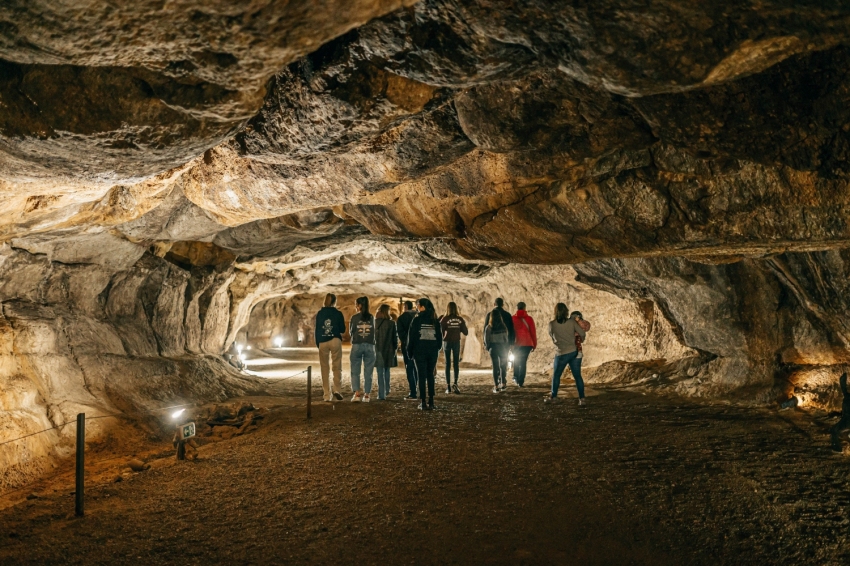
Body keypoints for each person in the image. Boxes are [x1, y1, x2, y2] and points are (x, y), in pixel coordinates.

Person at [545, 303, 587, 405]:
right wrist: (580, 339)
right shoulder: (572, 322)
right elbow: (582, 333)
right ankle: (582, 399)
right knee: (577, 376)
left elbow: (552, 336)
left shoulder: (552, 324)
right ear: (566, 311)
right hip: (573, 352)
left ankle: (553, 397)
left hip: (561, 353)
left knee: (556, 375)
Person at [407, 298, 442, 410]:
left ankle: (423, 402)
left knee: (421, 376)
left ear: (422, 307)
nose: (416, 307)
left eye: (417, 305)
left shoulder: (417, 320)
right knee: (430, 375)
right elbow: (439, 338)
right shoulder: (434, 320)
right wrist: (436, 348)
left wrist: (410, 351)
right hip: (432, 351)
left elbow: (412, 337)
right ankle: (431, 401)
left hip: (420, 351)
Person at [314, 293, 345, 401]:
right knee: (337, 366)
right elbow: (342, 329)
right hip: (335, 340)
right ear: (334, 302)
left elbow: (317, 329)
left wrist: (318, 343)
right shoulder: (338, 313)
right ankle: (337, 390)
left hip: (322, 340)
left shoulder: (320, 313)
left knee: (324, 368)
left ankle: (327, 395)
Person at [349, 296, 376, 402]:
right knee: (368, 371)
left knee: (355, 370)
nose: (355, 306)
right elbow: (374, 331)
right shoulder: (372, 318)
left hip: (357, 345)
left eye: (356, 304)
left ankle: (357, 394)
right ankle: (367, 395)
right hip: (370, 345)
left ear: (360, 305)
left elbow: (351, 332)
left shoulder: (354, 318)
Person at [440, 301, 468, 394]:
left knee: (447, 364)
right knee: (456, 363)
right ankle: (455, 383)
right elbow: (466, 332)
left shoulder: (444, 319)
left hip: (447, 342)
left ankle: (448, 386)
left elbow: (441, 332)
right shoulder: (460, 319)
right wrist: (458, 328)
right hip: (456, 342)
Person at [484, 303, 512, 393]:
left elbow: (486, 339)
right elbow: (506, 338)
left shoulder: (489, 327)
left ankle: (496, 386)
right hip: (502, 347)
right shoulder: (503, 326)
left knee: (495, 366)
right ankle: (503, 383)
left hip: (493, 347)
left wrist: (488, 347)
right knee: (503, 365)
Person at [374, 304, 399, 400]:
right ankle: (387, 389)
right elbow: (394, 338)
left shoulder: (375, 322)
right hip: (389, 350)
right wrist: (395, 349)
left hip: (378, 349)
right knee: (387, 370)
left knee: (380, 371)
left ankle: (381, 394)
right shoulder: (391, 323)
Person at [511, 302, 537, 387]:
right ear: (525, 308)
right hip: (527, 343)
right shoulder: (529, 319)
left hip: (516, 343)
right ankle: (520, 381)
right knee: (523, 362)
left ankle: (515, 377)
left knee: (516, 360)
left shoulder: (512, 318)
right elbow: (533, 332)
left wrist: (510, 344)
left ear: (517, 308)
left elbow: (510, 333)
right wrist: (534, 344)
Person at [396, 300, 418, 400]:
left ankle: (413, 391)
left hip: (407, 346)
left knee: (409, 367)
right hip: (419, 345)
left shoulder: (401, 318)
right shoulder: (418, 316)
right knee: (417, 367)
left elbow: (400, 333)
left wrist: (406, 341)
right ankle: (418, 388)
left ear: (405, 307)